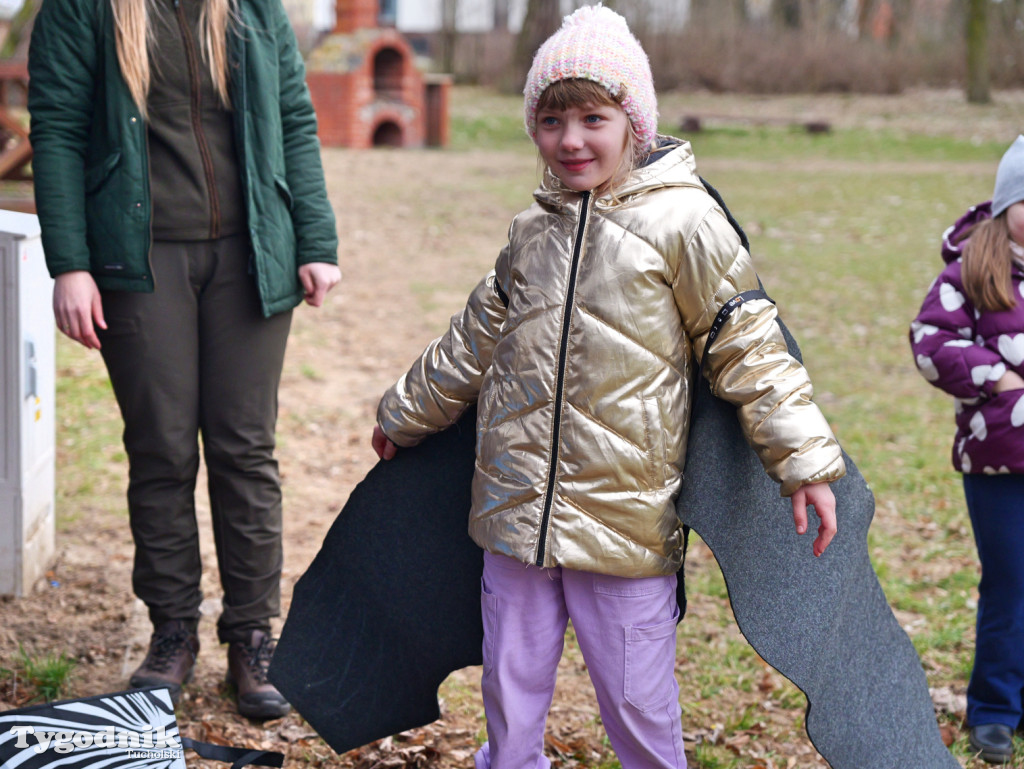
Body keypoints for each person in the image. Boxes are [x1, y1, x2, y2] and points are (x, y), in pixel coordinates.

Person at [370, 6, 845, 768]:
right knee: (511, 689)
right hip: (516, 514)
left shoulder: (686, 222)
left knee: (636, 699)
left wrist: (806, 461)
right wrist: (403, 412)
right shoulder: (532, 232)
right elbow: (471, 340)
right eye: (552, 119)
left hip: (625, 523)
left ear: (634, 123)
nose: (571, 139)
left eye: (594, 116)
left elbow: (748, 343)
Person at [27, 0, 340, 719]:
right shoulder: (82, 9)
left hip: (253, 252)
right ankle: (173, 629)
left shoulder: (256, 9)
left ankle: (253, 634)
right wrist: (70, 263)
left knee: (245, 448)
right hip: (140, 259)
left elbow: (295, 118)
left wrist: (316, 239)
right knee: (162, 448)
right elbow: (59, 131)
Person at [910, 135, 1024, 764]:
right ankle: (994, 712)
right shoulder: (973, 273)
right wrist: (998, 379)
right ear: (1008, 202)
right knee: (1011, 584)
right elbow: (930, 341)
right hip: (1000, 462)